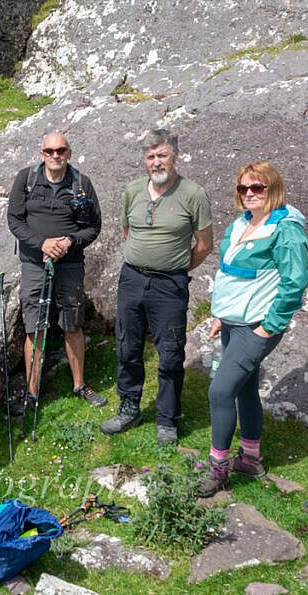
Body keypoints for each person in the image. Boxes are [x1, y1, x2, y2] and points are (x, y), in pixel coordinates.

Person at [199, 162, 308, 496]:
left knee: (219, 391)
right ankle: (250, 459)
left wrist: (270, 327)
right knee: (244, 389)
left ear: (272, 189)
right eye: (243, 188)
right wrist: (220, 314)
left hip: (257, 325)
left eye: (257, 188)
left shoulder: (285, 228)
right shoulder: (242, 223)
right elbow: (230, 274)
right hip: (234, 321)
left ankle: (218, 469)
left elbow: (296, 281)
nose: (249, 194)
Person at [100, 129, 213, 445]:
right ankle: (129, 406)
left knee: (171, 352)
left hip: (169, 285)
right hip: (132, 278)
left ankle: (167, 419)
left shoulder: (193, 194)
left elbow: (204, 245)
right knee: (127, 346)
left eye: (162, 155)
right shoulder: (133, 190)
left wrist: (174, 267)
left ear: (175, 156)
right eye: (150, 156)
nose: (156, 161)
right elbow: (127, 231)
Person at [7, 132, 106, 408]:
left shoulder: (82, 184)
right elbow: (14, 220)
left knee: (72, 323)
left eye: (60, 150)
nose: (55, 155)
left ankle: (79, 385)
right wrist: (43, 243)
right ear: (41, 154)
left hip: (70, 263)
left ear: (69, 153)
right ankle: (32, 392)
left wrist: (70, 241)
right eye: (49, 151)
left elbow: (93, 227)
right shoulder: (25, 179)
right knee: (34, 327)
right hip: (33, 263)